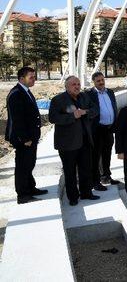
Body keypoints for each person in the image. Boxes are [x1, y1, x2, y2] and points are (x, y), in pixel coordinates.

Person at [49, 76, 99, 206]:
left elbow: (95, 110)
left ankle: (86, 193)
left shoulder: (84, 97)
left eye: (78, 84)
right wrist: (72, 116)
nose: (77, 86)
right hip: (67, 144)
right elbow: (53, 118)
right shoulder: (58, 100)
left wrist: (85, 112)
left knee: (85, 169)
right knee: (70, 171)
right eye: (73, 84)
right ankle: (73, 197)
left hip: (85, 141)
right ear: (66, 86)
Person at [5, 66, 47, 204]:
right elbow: (17, 119)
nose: (34, 79)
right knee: (23, 166)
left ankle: (30, 187)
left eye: (34, 77)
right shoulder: (16, 94)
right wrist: (25, 139)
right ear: (21, 78)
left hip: (30, 137)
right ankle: (22, 195)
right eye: (31, 77)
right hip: (23, 139)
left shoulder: (26, 91)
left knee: (29, 163)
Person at [87, 72, 119, 190]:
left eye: (102, 80)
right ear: (94, 82)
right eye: (98, 81)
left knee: (107, 153)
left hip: (109, 128)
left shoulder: (110, 92)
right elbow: (88, 111)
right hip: (97, 129)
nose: (101, 82)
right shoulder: (89, 94)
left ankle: (106, 176)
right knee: (96, 156)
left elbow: (114, 107)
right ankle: (95, 181)